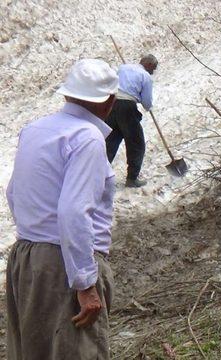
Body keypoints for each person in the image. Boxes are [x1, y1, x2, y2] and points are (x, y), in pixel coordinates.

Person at [5, 59, 118, 359]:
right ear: (110, 102)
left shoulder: (35, 130)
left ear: (67, 94)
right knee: (75, 351)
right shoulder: (87, 138)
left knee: (33, 351)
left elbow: (14, 193)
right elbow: (74, 211)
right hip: (65, 264)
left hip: (26, 258)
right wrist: (84, 283)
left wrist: (38, 237)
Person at [105, 54, 158, 187]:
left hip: (112, 105)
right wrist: (149, 107)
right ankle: (132, 179)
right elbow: (146, 102)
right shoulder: (146, 77)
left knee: (110, 142)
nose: (154, 72)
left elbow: (113, 84)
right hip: (127, 107)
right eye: (154, 68)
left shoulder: (123, 68)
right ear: (149, 65)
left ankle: (98, 176)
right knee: (136, 143)